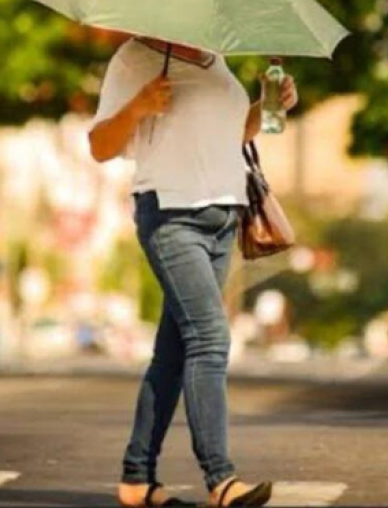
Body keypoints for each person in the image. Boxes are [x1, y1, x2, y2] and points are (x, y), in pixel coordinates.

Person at [88, 36, 298, 508]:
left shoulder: (216, 59)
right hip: (171, 215)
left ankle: (136, 478)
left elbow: (232, 137)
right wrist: (140, 104)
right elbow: (100, 146)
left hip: (224, 218)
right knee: (210, 337)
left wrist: (270, 106)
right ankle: (221, 479)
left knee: (173, 352)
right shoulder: (135, 58)